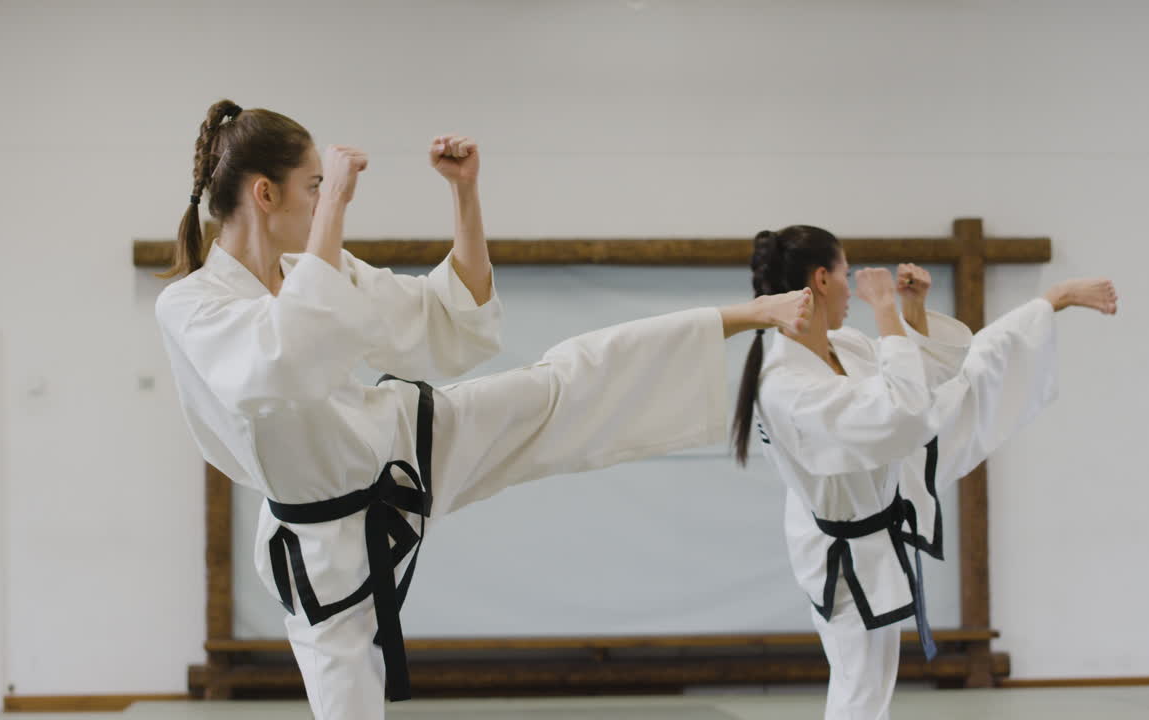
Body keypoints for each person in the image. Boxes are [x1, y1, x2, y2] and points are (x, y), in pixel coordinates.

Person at [155, 100, 814, 720]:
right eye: (312, 187)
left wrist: (464, 193)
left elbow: (447, 317)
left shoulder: (320, 269)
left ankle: (736, 316)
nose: (322, 201)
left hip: (405, 446)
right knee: (346, 699)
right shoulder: (192, 306)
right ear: (264, 195)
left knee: (562, 384)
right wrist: (338, 207)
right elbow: (284, 362)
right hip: (319, 532)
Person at [732, 224, 1118, 720]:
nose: (854, 288)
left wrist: (909, 313)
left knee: (863, 687)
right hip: (845, 556)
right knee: (860, 691)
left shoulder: (837, 345)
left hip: (869, 518)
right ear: (822, 280)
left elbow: (914, 382)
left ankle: (1051, 301)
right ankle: (1052, 299)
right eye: (848, 275)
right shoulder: (786, 381)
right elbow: (905, 413)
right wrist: (887, 310)